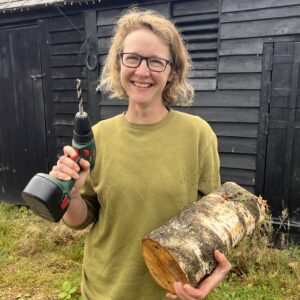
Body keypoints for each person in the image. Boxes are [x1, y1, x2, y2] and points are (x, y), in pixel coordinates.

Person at [50, 8, 231, 300]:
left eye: (156, 62)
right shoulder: (98, 136)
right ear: (118, 64)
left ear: (172, 71)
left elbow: (213, 224)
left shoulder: (198, 135)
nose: (142, 71)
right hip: (103, 290)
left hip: (170, 291)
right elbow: (81, 220)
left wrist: (210, 278)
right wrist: (70, 194)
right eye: (132, 58)